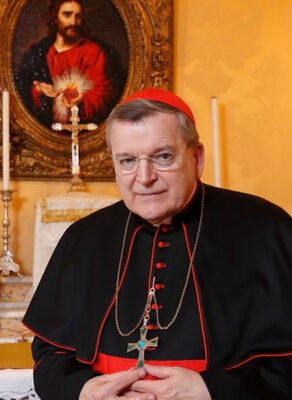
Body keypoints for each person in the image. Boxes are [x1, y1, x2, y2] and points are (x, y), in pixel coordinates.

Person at [23, 88, 292, 399]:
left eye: (163, 156)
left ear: (197, 157)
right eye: (128, 160)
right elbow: (50, 357)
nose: (145, 177)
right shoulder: (83, 238)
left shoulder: (266, 228)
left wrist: (213, 390)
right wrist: (81, 391)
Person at [15, 0, 124, 127]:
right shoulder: (39, 52)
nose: (73, 22)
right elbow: (21, 96)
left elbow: (105, 96)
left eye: (78, 16)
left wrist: (82, 99)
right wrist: (38, 90)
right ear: (55, 17)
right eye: (67, 15)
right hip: (48, 133)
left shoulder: (94, 52)